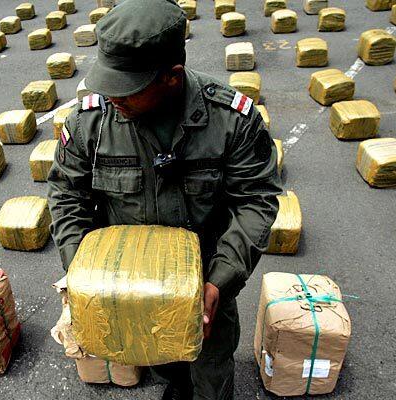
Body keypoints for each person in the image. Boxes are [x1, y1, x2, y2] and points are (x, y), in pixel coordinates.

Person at [47, 0, 282, 398]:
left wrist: (219, 281)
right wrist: (82, 273)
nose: (111, 97)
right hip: (128, 286)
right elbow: (67, 195)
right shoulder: (89, 122)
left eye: (127, 88)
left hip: (205, 280)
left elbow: (256, 201)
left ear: (172, 77)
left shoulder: (232, 121)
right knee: (159, 361)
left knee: (210, 366)